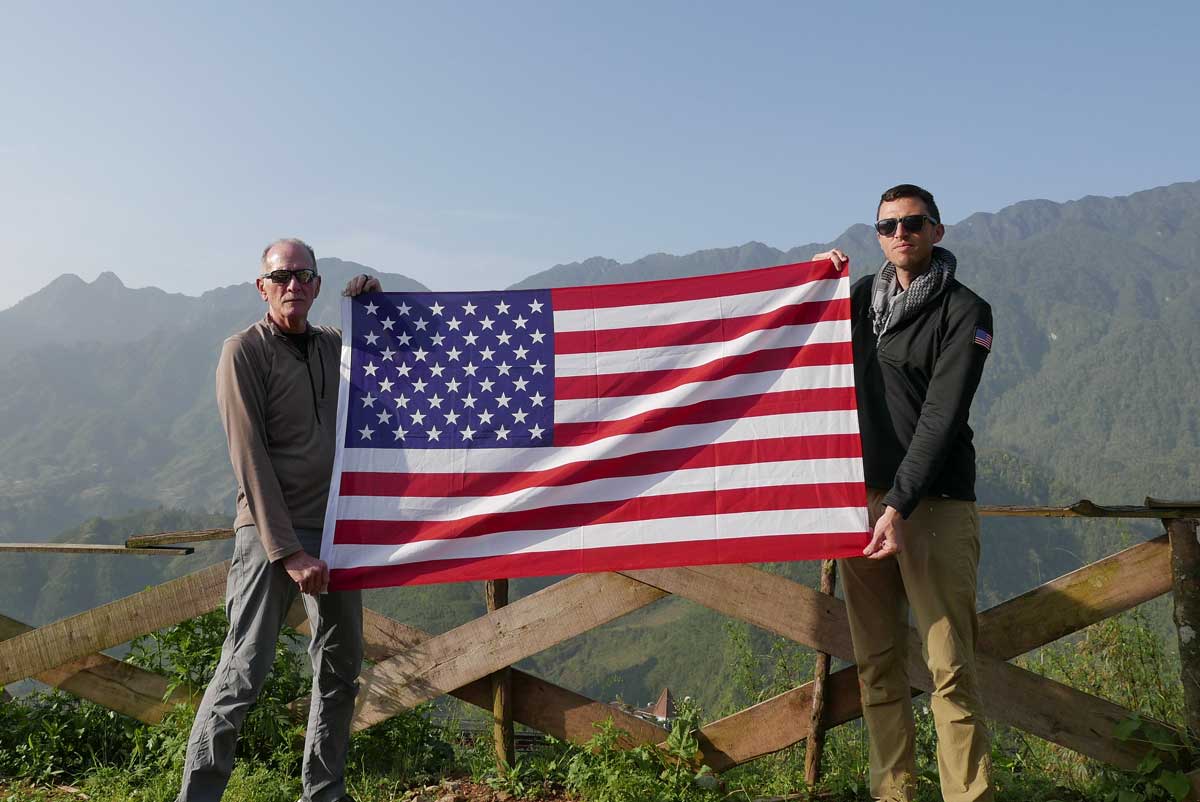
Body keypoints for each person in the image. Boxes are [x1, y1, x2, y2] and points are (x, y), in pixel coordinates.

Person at [177, 238, 381, 802]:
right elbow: (248, 457)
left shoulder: (333, 347)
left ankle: (324, 792)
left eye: (304, 275)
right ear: (262, 286)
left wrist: (374, 306)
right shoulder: (242, 351)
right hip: (270, 536)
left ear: (317, 285)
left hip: (336, 530)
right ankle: (197, 796)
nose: (293, 285)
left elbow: (387, 359)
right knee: (243, 670)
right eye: (281, 275)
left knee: (341, 670)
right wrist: (288, 551)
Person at [815, 184, 994, 802]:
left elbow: (941, 419)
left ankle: (966, 795)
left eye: (913, 223)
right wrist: (817, 282)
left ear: (937, 231)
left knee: (950, 670)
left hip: (935, 507)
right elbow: (797, 340)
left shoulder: (966, 312)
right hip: (861, 502)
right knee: (877, 666)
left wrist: (899, 504)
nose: (900, 234)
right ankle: (893, 793)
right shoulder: (858, 298)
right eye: (887, 225)